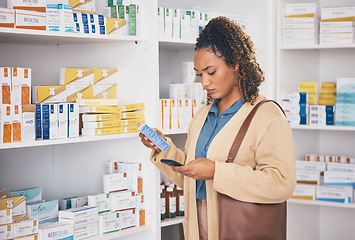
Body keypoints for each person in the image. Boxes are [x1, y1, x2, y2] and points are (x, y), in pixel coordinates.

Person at [139, 16, 296, 240]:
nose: (204, 82)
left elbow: (281, 183)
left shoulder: (267, 116)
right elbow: (194, 176)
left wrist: (216, 171)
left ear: (236, 64)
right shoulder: (203, 114)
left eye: (211, 72)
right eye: (199, 74)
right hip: (198, 227)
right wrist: (163, 149)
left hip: (239, 228)